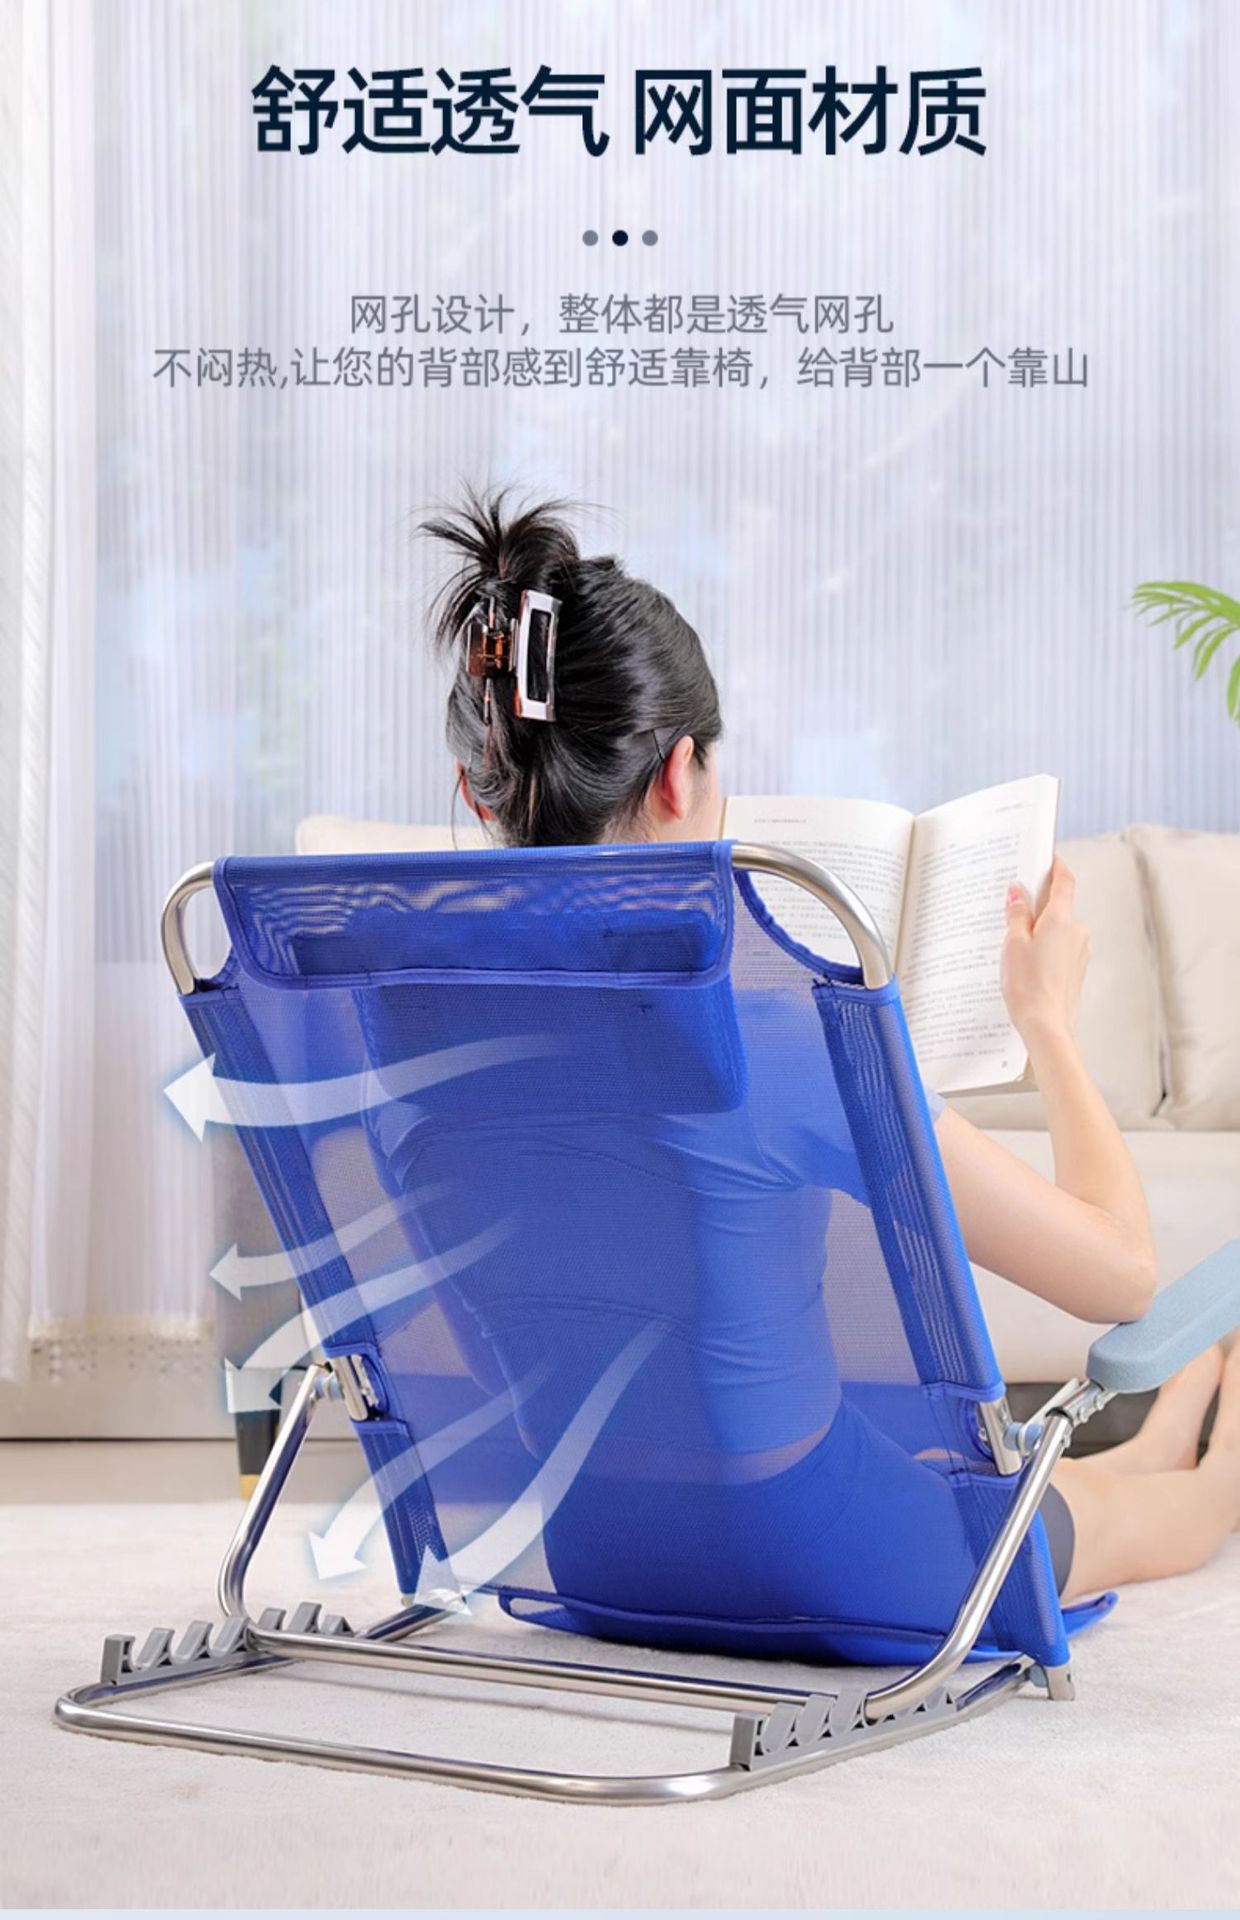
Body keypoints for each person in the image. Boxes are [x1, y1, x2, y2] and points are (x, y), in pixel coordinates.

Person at [417, 485, 1240, 1608]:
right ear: (680, 774)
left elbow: (496, 1352)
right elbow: (1120, 1274)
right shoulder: (775, 1039)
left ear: (479, 796)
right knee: (1166, 1511)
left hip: (601, 1548)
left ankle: (1153, 1441)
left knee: (980, 1478)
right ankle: (1204, 1450)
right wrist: (1047, 1022)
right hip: (812, 1557)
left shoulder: (417, 1045)